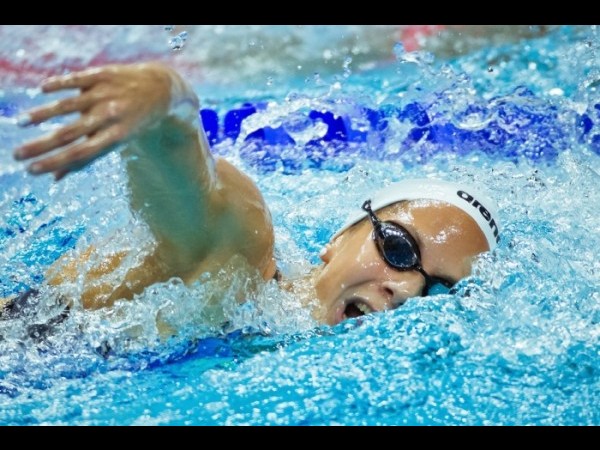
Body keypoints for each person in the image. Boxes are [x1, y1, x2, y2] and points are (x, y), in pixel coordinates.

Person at [4, 62, 500, 328]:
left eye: (439, 290)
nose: (408, 290)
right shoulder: (243, 257)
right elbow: (191, 171)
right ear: (337, 238)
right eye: (398, 248)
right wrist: (163, 94)